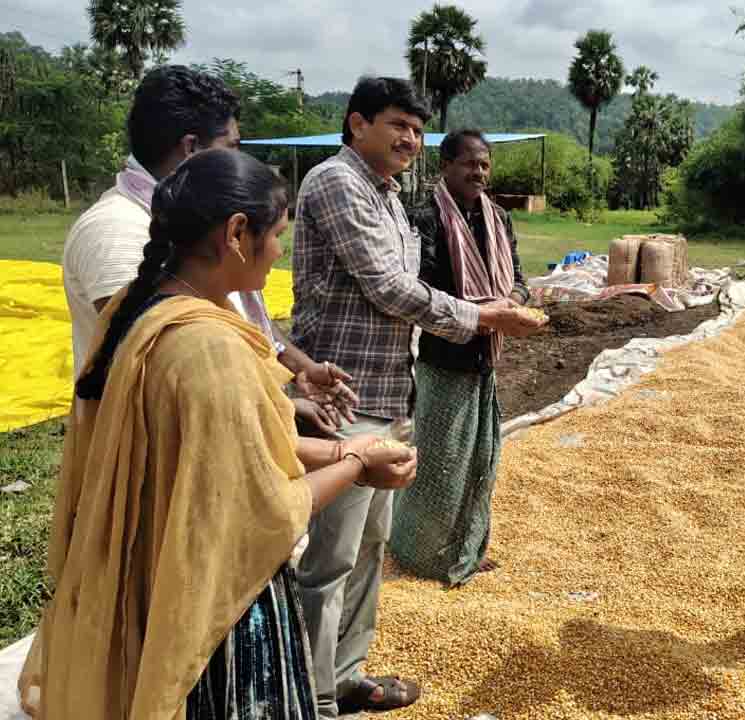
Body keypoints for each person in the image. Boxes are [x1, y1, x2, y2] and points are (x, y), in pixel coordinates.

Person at [18, 148, 417, 720]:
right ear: (236, 234)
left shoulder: (147, 310)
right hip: (220, 612)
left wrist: (339, 447)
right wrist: (357, 467)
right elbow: (261, 508)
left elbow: (225, 446)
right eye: (277, 235)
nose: (280, 253)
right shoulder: (210, 349)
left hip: (156, 579)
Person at [290, 77, 540, 717]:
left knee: (371, 545)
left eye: (415, 128)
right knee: (330, 558)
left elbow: (404, 284)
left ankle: (345, 676)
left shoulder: (392, 198)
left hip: (390, 391)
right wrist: (486, 319)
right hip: (343, 398)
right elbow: (388, 287)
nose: (409, 139)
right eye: (396, 124)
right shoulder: (336, 184)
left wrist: (494, 311)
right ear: (356, 125)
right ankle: (311, 696)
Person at [60, 64, 356, 435]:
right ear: (191, 149)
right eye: (231, 148)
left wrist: (297, 366)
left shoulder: (198, 217)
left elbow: (240, 319)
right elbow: (164, 364)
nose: (239, 162)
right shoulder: (118, 231)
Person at [395, 129, 537, 586]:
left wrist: (511, 302)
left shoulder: (497, 219)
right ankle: (420, 555)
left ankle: (466, 549)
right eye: (469, 164)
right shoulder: (427, 219)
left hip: (485, 361)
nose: (478, 172)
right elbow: (423, 289)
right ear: (446, 167)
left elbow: (517, 276)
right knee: (439, 463)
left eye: (484, 165)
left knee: (480, 459)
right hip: (443, 359)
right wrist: (484, 312)